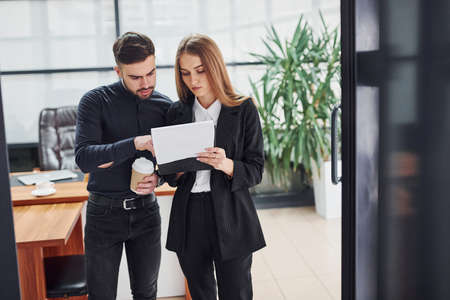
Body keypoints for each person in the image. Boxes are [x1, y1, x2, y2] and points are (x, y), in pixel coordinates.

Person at [164, 34, 266, 300]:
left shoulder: (243, 109)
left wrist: (227, 164)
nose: (193, 80)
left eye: (200, 71)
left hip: (230, 212)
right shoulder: (177, 112)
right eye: (185, 73)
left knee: (237, 292)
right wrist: (175, 168)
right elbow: (170, 176)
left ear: (215, 67)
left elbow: (256, 169)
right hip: (189, 214)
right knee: (200, 293)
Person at [75, 32, 171, 300]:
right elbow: (84, 158)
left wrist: (160, 179)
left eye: (151, 73)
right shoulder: (94, 102)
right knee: (102, 295)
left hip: (146, 214)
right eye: (135, 77)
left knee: (146, 293)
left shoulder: (166, 107)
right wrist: (135, 143)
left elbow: (172, 162)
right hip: (103, 216)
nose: (146, 83)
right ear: (118, 71)